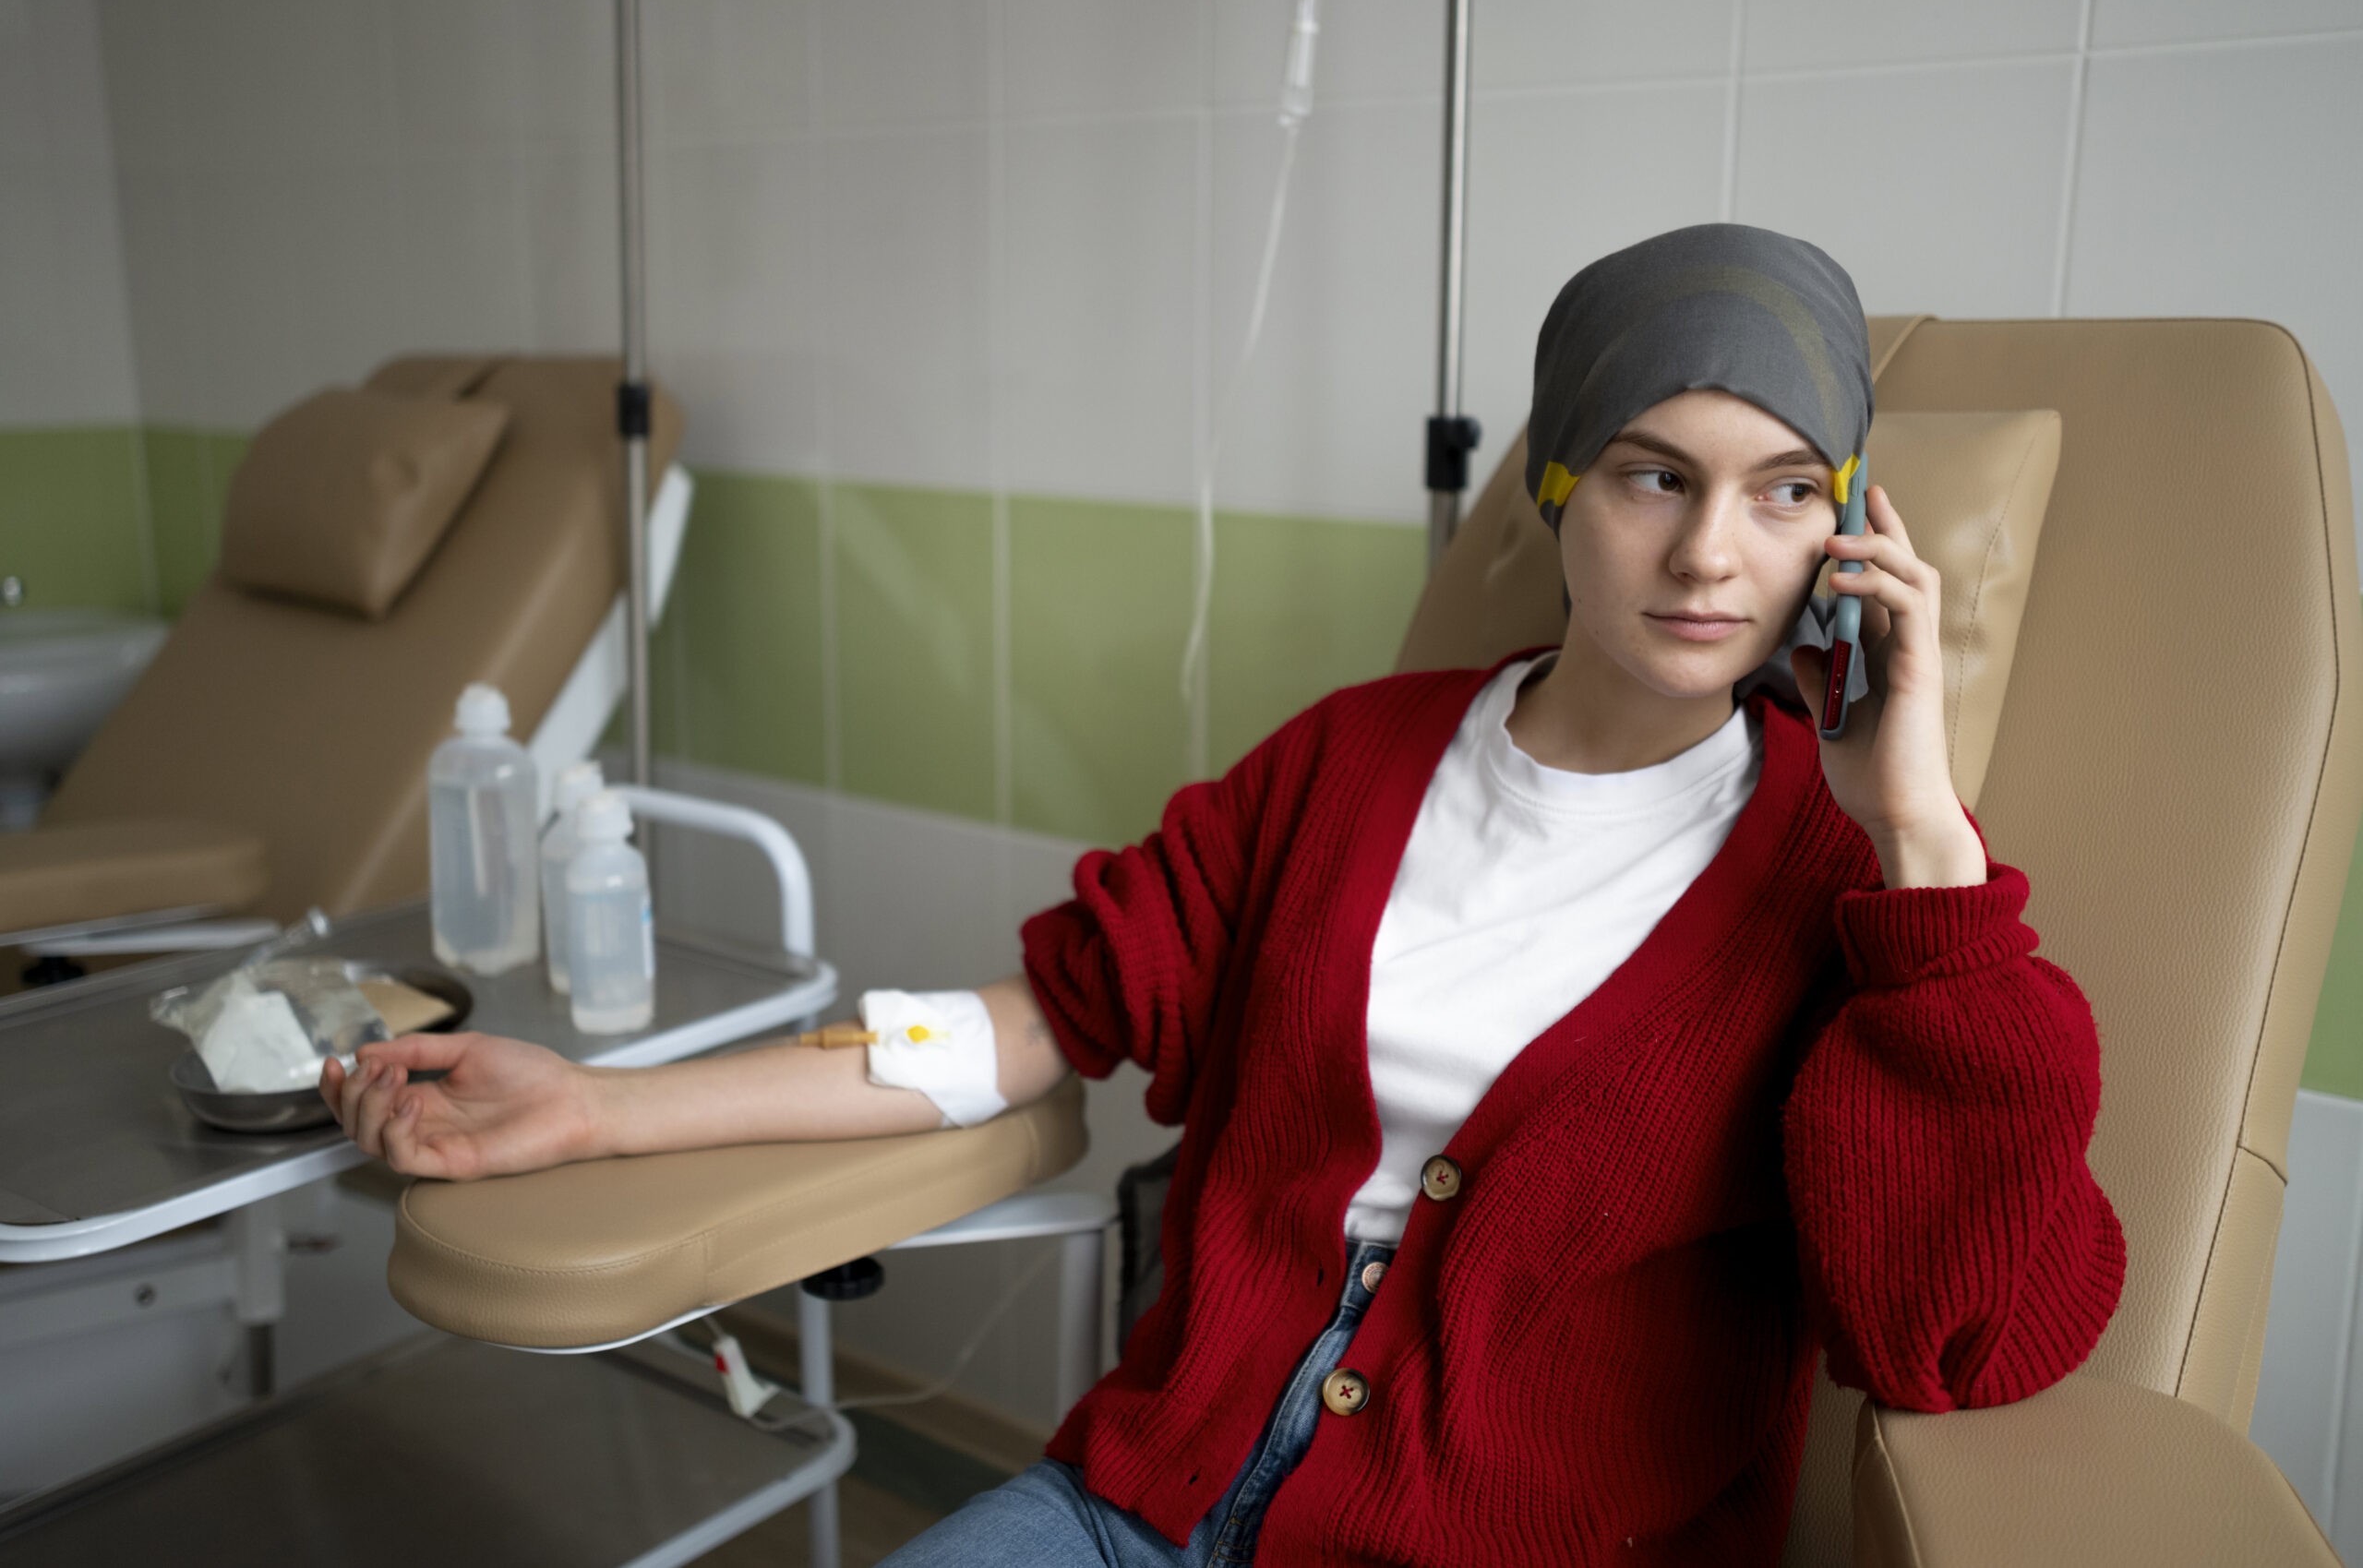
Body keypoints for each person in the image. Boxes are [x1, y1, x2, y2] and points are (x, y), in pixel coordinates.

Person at [324, 224, 2122, 1566]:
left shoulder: (1852, 886)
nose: (1709, 553)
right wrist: (596, 1111)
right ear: (1559, 485)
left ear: (1844, 539)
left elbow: (1953, 1336)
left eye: (1781, 493)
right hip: (1140, 1509)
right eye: (1654, 473)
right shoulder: (1345, 763)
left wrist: (1915, 834)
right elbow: (1035, 1026)